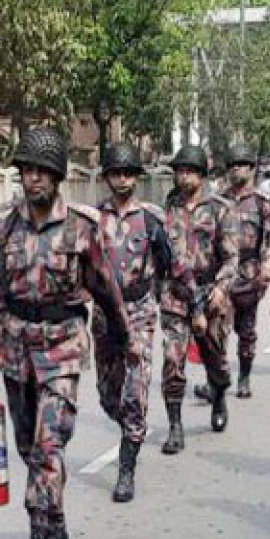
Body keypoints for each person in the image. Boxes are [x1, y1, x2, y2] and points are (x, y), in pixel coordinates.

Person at [0, 127, 129, 539]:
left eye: (43, 171)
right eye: (27, 170)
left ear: (58, 176)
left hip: (63, 347)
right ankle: (58, 525)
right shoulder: (7, 223)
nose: (34, 178)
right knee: (29, 448)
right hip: (16, 349)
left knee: (48, 449)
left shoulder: (82, 227)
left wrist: (122, 340)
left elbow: (106, 288)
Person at [93, 141, 175, 503]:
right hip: (105, 315)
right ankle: (124, 422)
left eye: (128, 173)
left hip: (140, 312)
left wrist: (157, 298)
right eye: (116, 173)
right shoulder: (93, 219)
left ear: (136, 178)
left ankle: (127, 467)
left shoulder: (152, 219)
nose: (122, 180)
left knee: (134, 392)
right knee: (108, 394)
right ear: (107, 176)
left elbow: (168, 265)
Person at [159, 145, 240, 453]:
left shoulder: (221, 208)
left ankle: (218, 394)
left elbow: (232, 257)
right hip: (176, 296)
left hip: (210, 294)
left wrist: (221, 289)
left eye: (190, 171)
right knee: (172, 360)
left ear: (202, 175)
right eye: (180, 171)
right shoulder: (168, 208)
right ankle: (175, 425)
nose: (184, 176)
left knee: (216, 360)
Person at [213, 145, 270, 400]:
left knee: (247, 332)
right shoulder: (217, 201)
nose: (237, 170)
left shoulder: (262, 203)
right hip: (223, 276)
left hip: (250, 275)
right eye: (233, 165)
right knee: (217, 331)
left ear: (251, 170)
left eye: (242, 165)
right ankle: (217, 381)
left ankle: (244, 377)